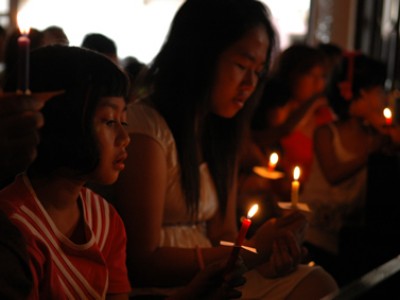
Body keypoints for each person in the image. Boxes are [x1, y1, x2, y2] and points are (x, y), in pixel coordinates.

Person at [114, 0, 338, 299]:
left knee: (316, 281)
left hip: (216, 279)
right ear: (199, 56)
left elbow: (224, 236)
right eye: (242, 66)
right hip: (172, 290)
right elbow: (142, 261)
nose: (250, 83)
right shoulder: (147, 129)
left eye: (258, 71)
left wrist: (265, 258)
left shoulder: (221, 131)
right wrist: (252, 252)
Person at [0, 45, 247, 299]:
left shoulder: (104, 219)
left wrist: (191, 294)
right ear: (61, 121)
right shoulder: (15, 226)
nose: (125, 137)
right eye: (109, 121)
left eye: (124, 121)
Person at [300, 52, 391, 286]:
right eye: (380, 89)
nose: (385, 97)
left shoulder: (377, 137)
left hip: (351, 242)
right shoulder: (326, 133)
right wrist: (372, 151)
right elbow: (333, 174)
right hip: (314, 236)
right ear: (362, 93)